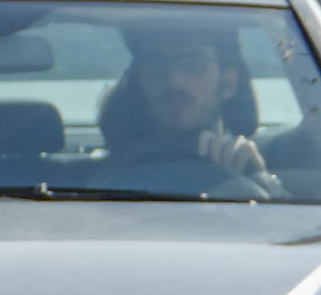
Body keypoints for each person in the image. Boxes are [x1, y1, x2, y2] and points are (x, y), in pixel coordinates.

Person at [97, 23, 274, 189]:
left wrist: (260, 184)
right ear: (138, 82)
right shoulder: (91, 182)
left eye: (193, 65)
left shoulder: (251, 167)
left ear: (228, 83)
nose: (174, 81)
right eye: (157, 65)